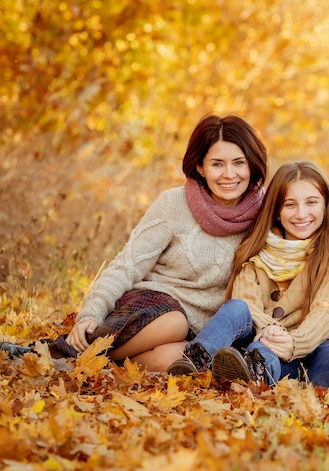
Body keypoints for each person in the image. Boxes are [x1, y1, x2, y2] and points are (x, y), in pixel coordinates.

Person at [16, 114, 269, 371]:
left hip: (199, 334)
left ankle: (89, 361)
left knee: (179, 359)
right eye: (217, 164)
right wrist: (91, 312)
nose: (229, 174)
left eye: (239, 162)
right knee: (175, 322)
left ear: (252, 165)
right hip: (152, 309)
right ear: (201, 167)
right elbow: (128, 264)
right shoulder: (174, 205)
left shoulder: (265, 215)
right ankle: (69, 356)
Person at [167, 161, 329, 390]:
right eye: (290, 205)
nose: (301, 214)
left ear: (325, 204)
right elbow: (247, 304)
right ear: (276, 211)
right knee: (237, 309)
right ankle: (197, 360)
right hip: (254, 339)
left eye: (312, 202)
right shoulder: (256, 248)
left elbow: (327, 310)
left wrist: (294, 342)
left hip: (301, 350)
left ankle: (258, 375)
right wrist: (270, 329)